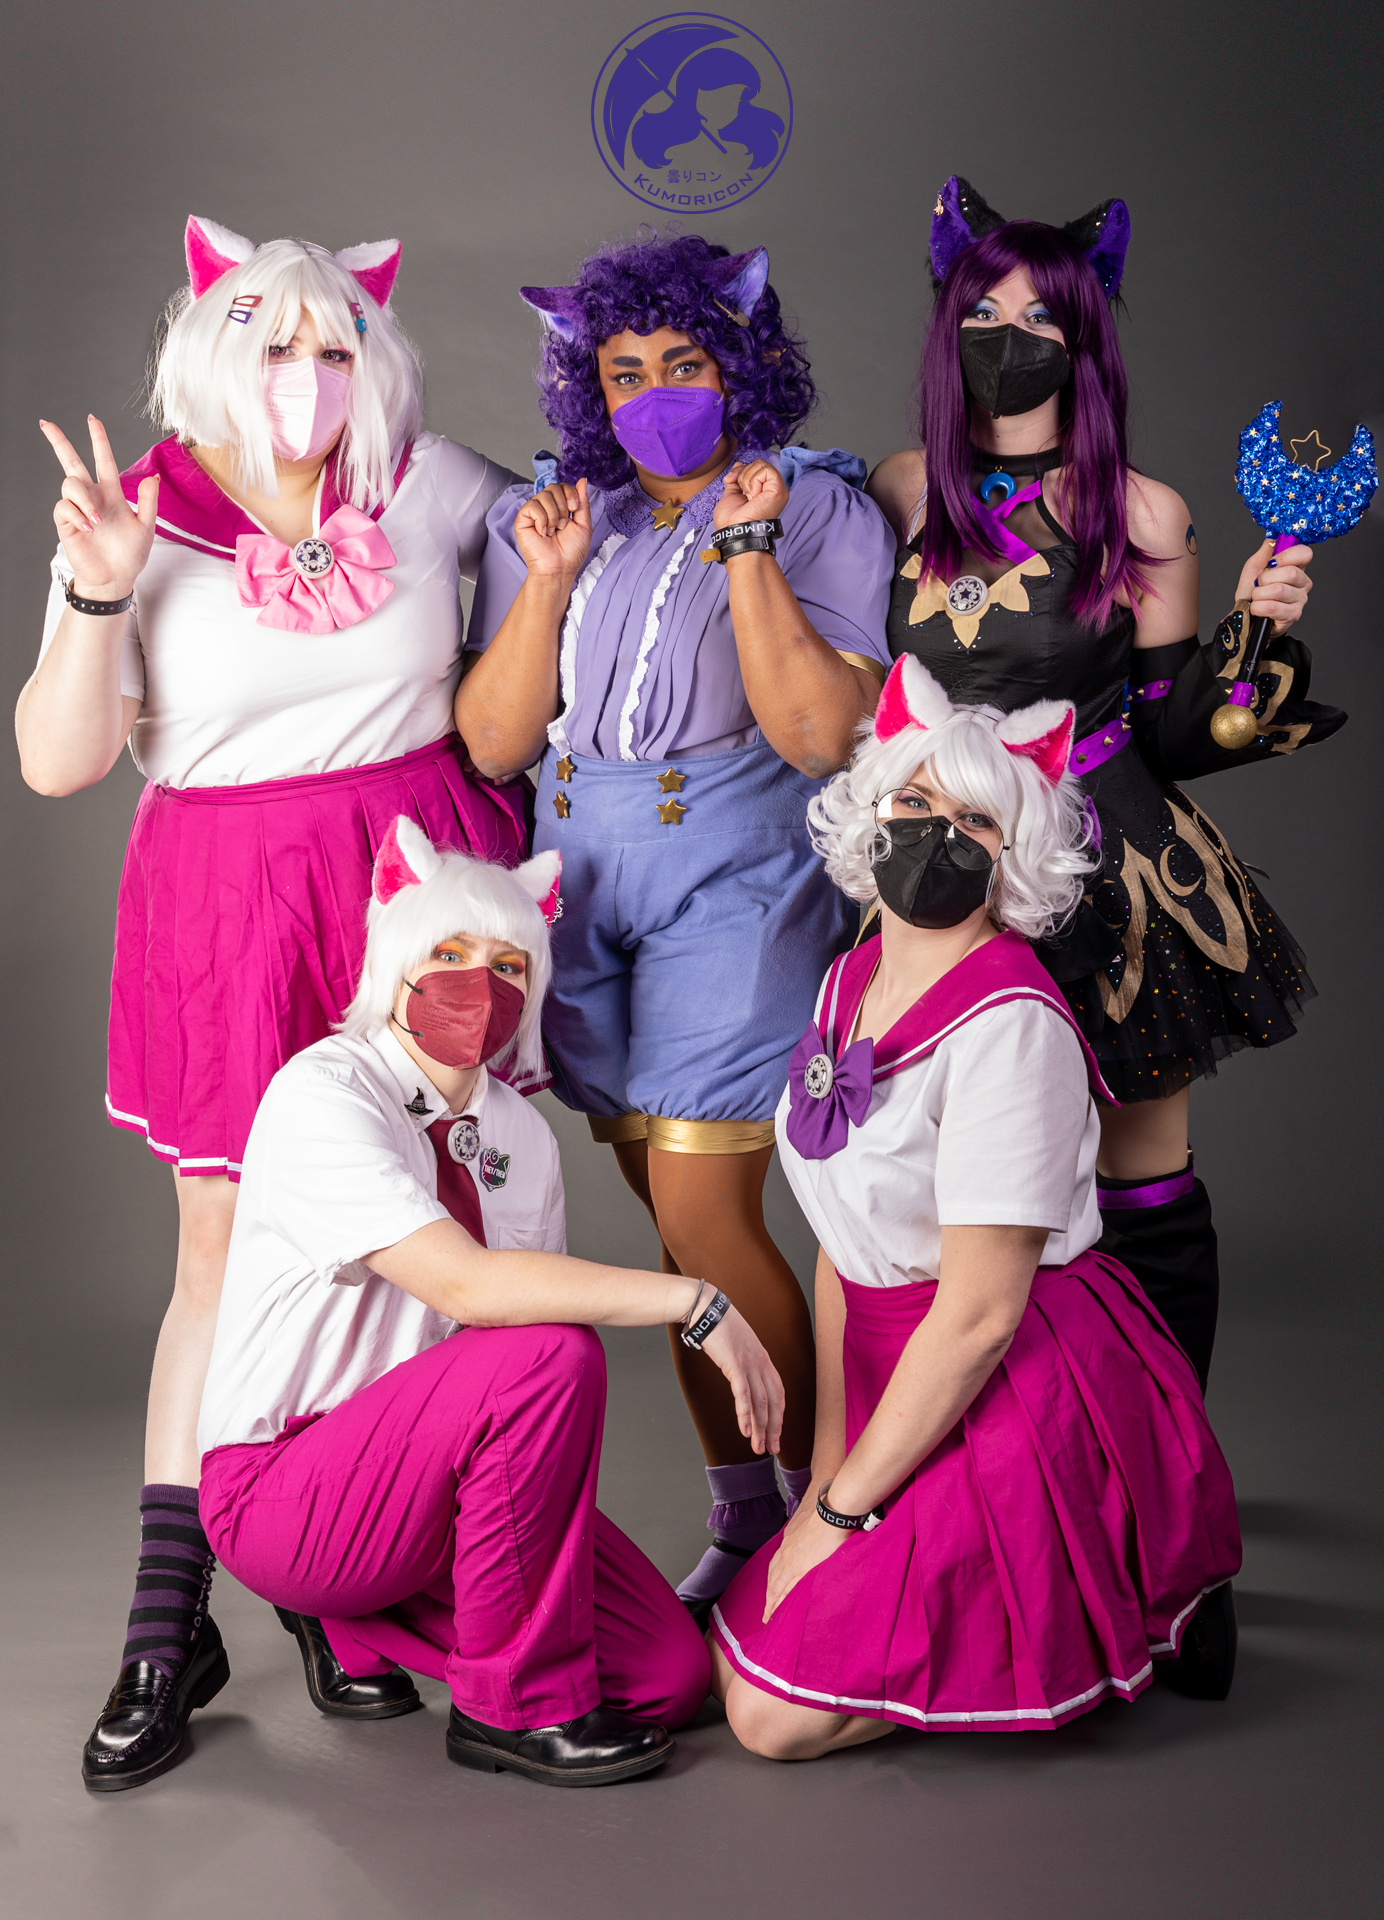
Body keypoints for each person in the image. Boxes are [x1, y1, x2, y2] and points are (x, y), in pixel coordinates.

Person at [16, 216, 529, 1779]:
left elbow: (582, 560)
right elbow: (56, 764)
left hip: (414, 891)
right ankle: (171, 1619)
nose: (307, 373)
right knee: (228, 1254)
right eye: (275, 340)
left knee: (416, 1227)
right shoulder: (138, 513)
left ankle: (343, 1582)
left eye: (334, 345)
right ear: (210, 347)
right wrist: (97, 590)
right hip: (231, 907)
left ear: (374, 358)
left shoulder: (431, 483)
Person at [87, 824, 782, 1789]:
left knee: (664, 1678)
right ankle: (511, 1710)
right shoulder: (323, 1091)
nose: (478, 984)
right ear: (397, 960)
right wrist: (694, 1300)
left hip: (431, 1485)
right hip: (285, 1486)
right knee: (553, 1355)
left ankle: (370, 1618)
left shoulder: (522, 1137)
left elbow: (508, 1352)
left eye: (508, 965)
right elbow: (468, 1288)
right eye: (448, 954)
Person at [458, 232, 896, 1615]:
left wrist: (748, 541)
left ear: (741, 363)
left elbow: (821, 734)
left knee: (709, 1207)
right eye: (624, 371)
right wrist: (545, 578)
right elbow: (494, 742)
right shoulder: (554, 514)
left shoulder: (816, 506)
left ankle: (827, 1518)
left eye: (685, 362)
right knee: (668, 1218)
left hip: (738, 872)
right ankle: (744, 1511)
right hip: (580, 873)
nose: (654, 393)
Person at [709, 657, 1243, 1761]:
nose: (934, 835)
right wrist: (825, 1473)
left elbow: (979, 1317)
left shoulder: (1011, 1027)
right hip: (887, 1367)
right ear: (872, 810)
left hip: (1003, 1378)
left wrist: (844, 1515)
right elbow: (843, 1250)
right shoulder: (848, 981)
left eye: (974, 821)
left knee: (767, 1717)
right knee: (730, 1648)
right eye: (913, 802)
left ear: (1018, 856)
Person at [866, 179, 1343, 1392]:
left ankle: (1172, 1467)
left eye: (1041, 316)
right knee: (929, 1181)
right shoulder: (898, 490)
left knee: (1141, 1186)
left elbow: (1177, 732)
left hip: (1107, 869)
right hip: (933, 867)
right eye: (985, 312)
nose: (1009, 338)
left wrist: (1252, 635)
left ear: (1083, 338)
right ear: (947, 324)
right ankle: (963, 1458)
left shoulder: (1141, 512)